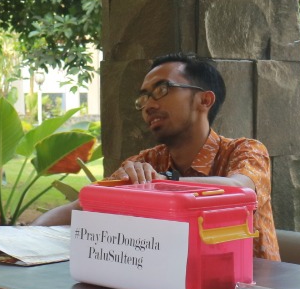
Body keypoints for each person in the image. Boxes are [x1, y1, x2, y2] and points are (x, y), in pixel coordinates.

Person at [33, 53, 279, 260]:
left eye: (162, 90)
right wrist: (15, 239)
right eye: (143, 97)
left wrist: (159, 185)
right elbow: (83, 206)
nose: (148, 106)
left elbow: (239, 190)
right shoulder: (144, 163)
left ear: (204, 100)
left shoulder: (245, 151)